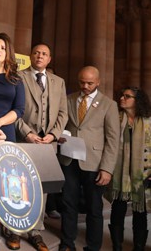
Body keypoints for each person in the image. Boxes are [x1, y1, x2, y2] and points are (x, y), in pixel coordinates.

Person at [8, 43, 68, 251]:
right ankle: (14, 230)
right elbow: (13, 110)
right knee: (18, 185)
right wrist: (29, 133)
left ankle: (34, 232)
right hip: (24, 139)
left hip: (47, 145)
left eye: (44, 54)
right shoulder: (18, 77)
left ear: (49, 59)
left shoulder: (58, 82)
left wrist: (53, 135)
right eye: (36, 53)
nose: (40, 56)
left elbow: (63, 113)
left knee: (41, 189)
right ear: (31, 56)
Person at [59, 66, 120, 251]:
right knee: (68, 204)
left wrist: (107, 168)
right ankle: (67, 243)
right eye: (81, 82)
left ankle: (93, 247)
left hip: (95, 163)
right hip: (69, 159)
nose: (85, 86)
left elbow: (113, 138)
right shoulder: (68, 99)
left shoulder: (109, 105)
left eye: (89, 83)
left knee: (94, 208)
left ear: (98, 82)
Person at [107, 87, 151, 251]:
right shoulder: (116, 119)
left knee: (140, 210)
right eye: (122, 96)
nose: (122, 99)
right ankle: (117, 246)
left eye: (127, 96)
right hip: (120, 172)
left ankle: (138, 247)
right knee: (118, 207)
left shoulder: (148, 122)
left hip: (143, 172)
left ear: (137, 101)